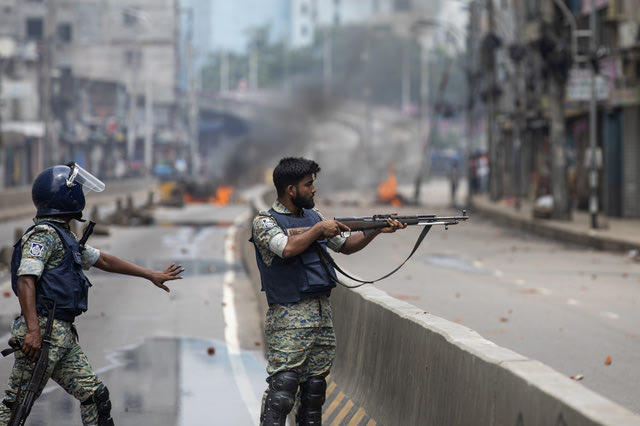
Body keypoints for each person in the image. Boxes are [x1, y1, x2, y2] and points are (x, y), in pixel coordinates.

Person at [0, 162, 184, 426]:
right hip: (42, 335)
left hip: (60, 337)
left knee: (95, 396)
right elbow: (26, 280)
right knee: (14, 409)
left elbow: (104, 260)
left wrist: (149, 274)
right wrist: (32, 331)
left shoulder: (65, 237)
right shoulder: (43, 235)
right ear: (65, 196)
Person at [251, 157, 406, 425]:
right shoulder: (265, 222)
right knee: (283, 393)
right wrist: (318, 230)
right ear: (291, 190)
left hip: (322, 318)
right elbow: (286, 248)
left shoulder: (315, 217)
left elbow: (346, 245)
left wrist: (376, 229)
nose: (313, 190)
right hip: (289, 319)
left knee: (313, 393)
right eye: (308, 184)